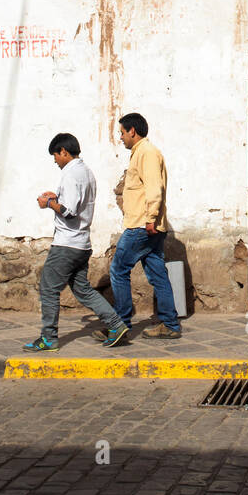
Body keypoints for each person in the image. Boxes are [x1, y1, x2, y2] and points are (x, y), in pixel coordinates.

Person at [23, 133, 130, 351]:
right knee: (82, 290)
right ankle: (116, 324)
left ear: (63, 151)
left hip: (67, 243)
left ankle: (48, 338)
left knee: (48, 288)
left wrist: (48, 203)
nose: (55, 160)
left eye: (55, 155)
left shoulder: (71, 174)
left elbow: (69, 212)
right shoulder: (86, 172)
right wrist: (56, 198)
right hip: (82, 243)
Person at [103, 112, 181, 339]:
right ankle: (170, 324)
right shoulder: (143, 153)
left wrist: (150, 218)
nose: (121, 138)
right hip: (148, 224)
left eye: (122, 133)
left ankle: (120, 324)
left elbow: (154, 188)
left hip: (142, 225)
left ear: (132, 131)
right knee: (157, 274)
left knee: (118, 270)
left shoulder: (146, 153)